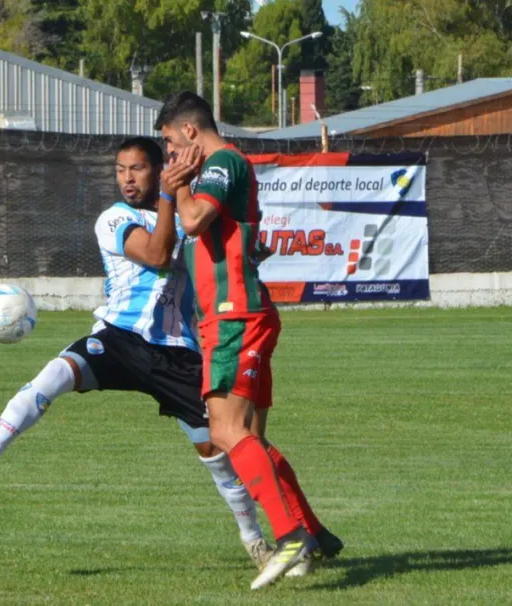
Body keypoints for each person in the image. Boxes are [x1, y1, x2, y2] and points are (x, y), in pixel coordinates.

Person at [0, 137, 275, 569]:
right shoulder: (114, 218)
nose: (127, 178)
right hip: (118, 338)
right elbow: (159, 255)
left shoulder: (188, 213)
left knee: (215, 452)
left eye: (138, 168)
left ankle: (255, 542)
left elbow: (223, 252)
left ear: (159, 168)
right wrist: (168, 195)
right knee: (57, 372)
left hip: (177, 353)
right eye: (121, 169)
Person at [155, 91, 343, 590]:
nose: (170, 157)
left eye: (171, 144)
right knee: (249, 439)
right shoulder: (215, 168)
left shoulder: (221, 162)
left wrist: (172, 188)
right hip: (238, 314)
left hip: (234, 316)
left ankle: (288, 537)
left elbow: (193, 220)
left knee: (225, 431)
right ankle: (312, 533)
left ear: (191, 132)